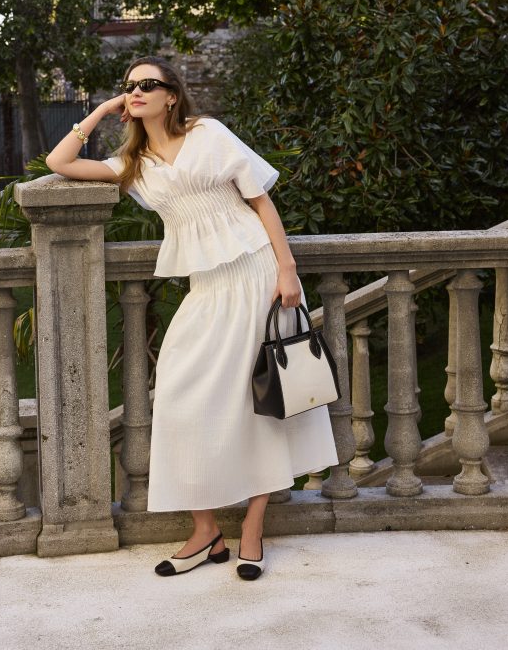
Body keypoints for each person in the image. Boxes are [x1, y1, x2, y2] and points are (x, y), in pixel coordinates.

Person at [45, 55, 338, 580]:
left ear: (172, 95)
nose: (136, 92)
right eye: (129, 86)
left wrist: (287, 269)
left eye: (147, 84)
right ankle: (207, 532)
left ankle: (253, 527)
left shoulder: (209, 134)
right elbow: (59, 161)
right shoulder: (133, 164)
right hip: (207, 286)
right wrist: (104, 110)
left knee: (261, 401)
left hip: (255, 271)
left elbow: (261, 202)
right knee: (179, 397)